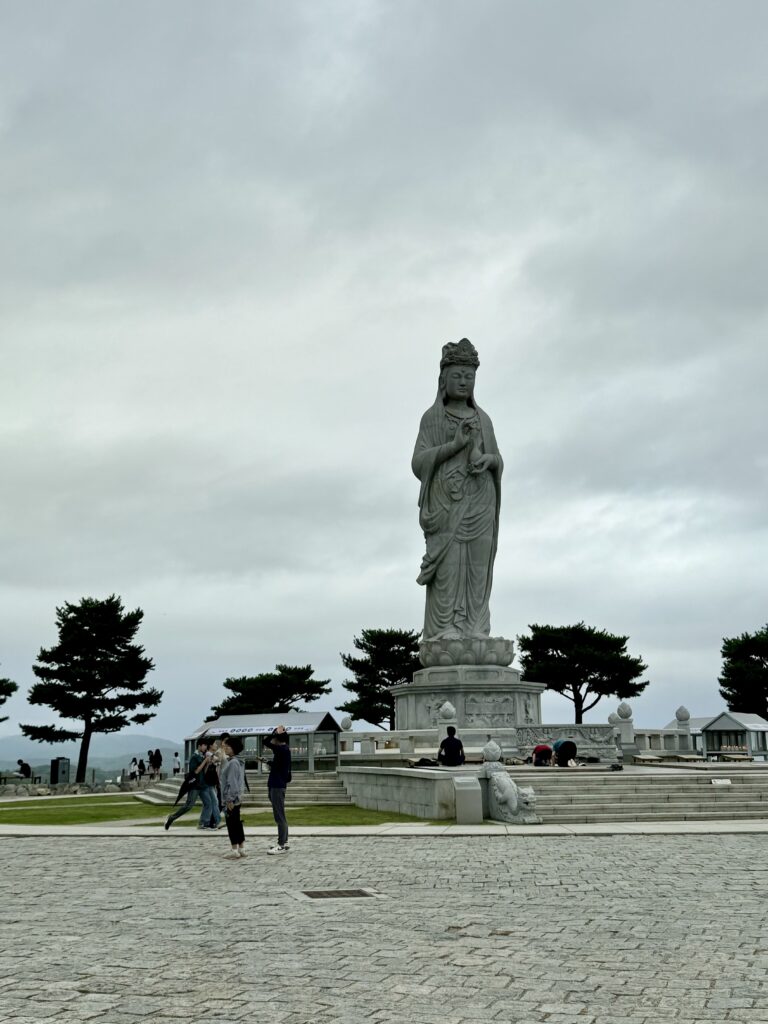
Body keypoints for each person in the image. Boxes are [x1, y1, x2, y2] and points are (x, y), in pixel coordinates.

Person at [412, 339, 503, 640]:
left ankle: (477, 628)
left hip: (481, 502)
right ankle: (444, 630)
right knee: (449, 571)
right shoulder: (433, 418)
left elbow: (497, 458)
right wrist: (454, 446)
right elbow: (418, 463)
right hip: (447, 506)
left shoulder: (483, 419)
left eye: (469, 376)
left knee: (478, 570)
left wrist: (489, 460)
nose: (464, 381)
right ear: (443, 380)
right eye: (457, 375)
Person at [165, 737, 219, 830]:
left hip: (203, 785)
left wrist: (208, 764)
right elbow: (196, 771)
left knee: (208, 803)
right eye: (204, 745)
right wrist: (205, 761)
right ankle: (171, 818)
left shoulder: (203, 756)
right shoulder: (194, 757)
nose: (205, 747)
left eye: (206, 745)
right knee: (189, 805)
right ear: (199, 746)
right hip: (195, 785)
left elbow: (204, 771)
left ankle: (204, 823)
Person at [263, 726, 291, 854]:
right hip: (276, 784)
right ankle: (284, 841)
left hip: (277, 786)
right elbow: (278, 765)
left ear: (278, 739)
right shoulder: (283, 750)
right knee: (279, 814)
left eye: (275, 738)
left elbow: (265, 742)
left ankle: (281, 844)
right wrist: (268, 762)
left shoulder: (281, 749)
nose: (272, 740)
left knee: (279, 815)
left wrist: (274, 732)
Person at [220, 736, 246, 859]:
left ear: (234, 748)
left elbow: (232, 783)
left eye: (228, 746)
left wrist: (229, 799)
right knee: (237, 823)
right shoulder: (238, 762)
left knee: (232, 824)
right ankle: (241, 848)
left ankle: (234, 849)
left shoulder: (233, 763)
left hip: (232, 799)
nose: (226, 748)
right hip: (237, 798)